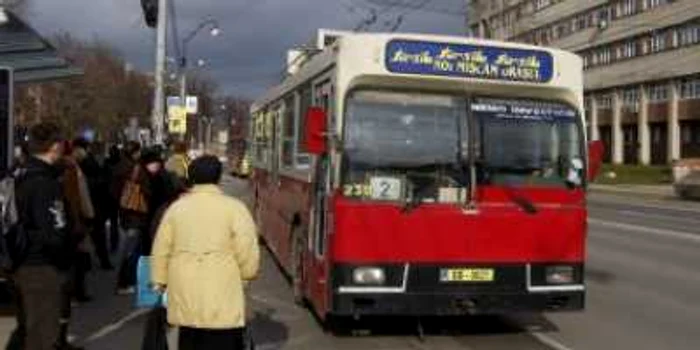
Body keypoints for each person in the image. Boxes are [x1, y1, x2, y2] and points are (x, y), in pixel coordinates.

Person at [151, 155, 260, 350]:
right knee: (222, 340)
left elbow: (161, 249)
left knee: (189, 338)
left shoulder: (176, 209)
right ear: (218, 178)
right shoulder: (235, 208)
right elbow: (247, 249)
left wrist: (159, 281)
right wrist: (246, 275)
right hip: (223, 290)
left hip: (184, 290)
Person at [11, 122, 74, 350]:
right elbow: (55, 231)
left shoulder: (18, 174)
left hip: (19, 260)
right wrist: (63, 260)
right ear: (55, 146)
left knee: (27, 328)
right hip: (42, 265)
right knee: (43, 335)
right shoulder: (46, 184)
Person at [115, 145, 154, 295]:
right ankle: (125, 282)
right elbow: (146, 192)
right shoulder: (136, 169)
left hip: (125, 212)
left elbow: (114, 190)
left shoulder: (120, 166)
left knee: (130, 249)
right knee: (131, 250)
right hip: (135, 214)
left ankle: (126, 281)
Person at [73, 138, 112, 270]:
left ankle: (97, 262)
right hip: (95, 205)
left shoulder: (85, 164)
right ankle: (99, 261)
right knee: (95, 236)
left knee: (94, 236)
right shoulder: (90, 162)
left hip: (92, 204)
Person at [104, 145, 122, 253]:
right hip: (118, 195)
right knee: (115, 221)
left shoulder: (106, 164)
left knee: (112, 221)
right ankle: (115, 243)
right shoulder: (121, 164)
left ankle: (113, 243)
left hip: (108, 196)